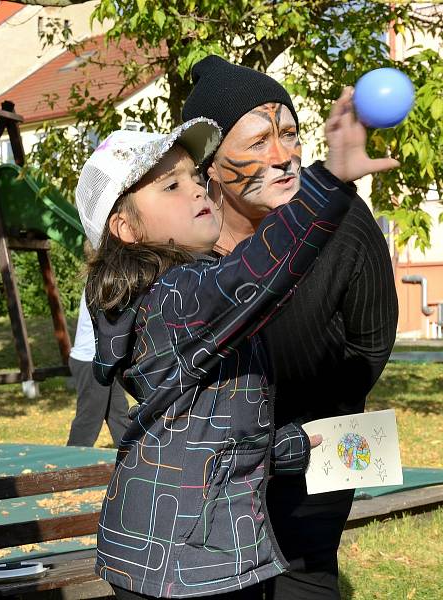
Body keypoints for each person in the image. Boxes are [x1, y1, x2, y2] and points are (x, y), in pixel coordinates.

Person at [76, 94, 396, 599]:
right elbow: (252, 275)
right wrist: (330, 181)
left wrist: (295, 446)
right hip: (178, 563)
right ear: (127, 229)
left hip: (197, 549)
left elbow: (210, 431)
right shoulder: (172, 302)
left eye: (196, 177)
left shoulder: (190, 301)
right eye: (171, 185)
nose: (197, 189)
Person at [182, 56, 399, 600]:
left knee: (307, 578)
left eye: (290, 134)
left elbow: (371, 344)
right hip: (218, 466)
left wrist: (308, 421)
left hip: (326, 445)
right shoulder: (183, 246)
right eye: (257, 142)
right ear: (210, 163)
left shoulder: (343, 220)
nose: (283, 157)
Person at [66, 287, 130, 447]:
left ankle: (135, 461)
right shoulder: (103, 278)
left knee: (120, 417)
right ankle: (68, 468)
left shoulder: (111, 273)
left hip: (106, 359)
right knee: (88, 422)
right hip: (91, 361)